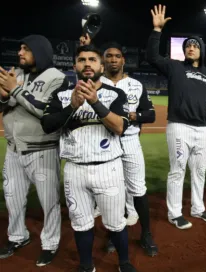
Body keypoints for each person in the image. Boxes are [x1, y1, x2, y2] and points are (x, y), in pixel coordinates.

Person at [41, 45, 137, 272]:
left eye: (92, 59)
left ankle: (124, 263)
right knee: (80, 223)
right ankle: (86, 266)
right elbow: (47, 126)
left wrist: (95, 102)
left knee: (115, 223)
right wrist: (72, 106)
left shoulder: (115, 94)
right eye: (82, 60)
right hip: (75, 169)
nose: (87, 64)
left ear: (101, 66)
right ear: (74, 66)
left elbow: (120, 127)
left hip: (108, 168)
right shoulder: (62, 96)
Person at [79, 36, 159, 256]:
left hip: (130, 140)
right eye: (108, 57)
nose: (113, 60)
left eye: (117, 56)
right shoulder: (95, 83)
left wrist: (132, 115)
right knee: (112, 191)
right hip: (105, 142)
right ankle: (115, 234)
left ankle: (146, 234)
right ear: (102, 62)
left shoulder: (135, 84)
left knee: (138, 189)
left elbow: (150, 115)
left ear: (123, 60)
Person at [147, 5, 206, 229]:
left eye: (195, 46)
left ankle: (198, 209)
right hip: (179, 126)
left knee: (199, 171)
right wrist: (157, 31)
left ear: (202, 51)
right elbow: (152, 56)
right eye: (187, 45)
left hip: (201, 128)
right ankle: (175, 213)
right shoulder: (174, 67)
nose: (190, 47)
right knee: (178, 170)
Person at [0, 35, 66, 266]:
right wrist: (4, 95)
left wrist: (15, 92)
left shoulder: (57, 78)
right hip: (14, 148)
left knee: (49, 202)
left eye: (26, 49)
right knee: (13, 199)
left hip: (43, 149)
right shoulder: (15, 75)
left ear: (39, 51)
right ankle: (18, 236)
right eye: (19, 48)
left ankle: (50, 243)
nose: (20, 53)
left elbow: (44, 110)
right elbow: (5, 105)